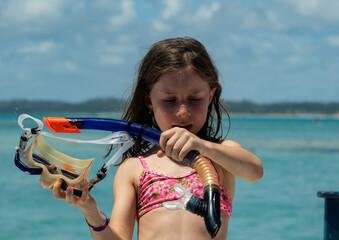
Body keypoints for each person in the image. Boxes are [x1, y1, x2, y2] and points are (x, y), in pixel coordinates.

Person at [52, 37, 263, 240]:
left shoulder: (221, 155)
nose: (183, 111)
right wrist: (90, 212)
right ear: (149, 100)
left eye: (195, 99)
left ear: (211, 96)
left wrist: (202, 146)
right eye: (169, 100)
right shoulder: (135, 168)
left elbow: (255, 172)